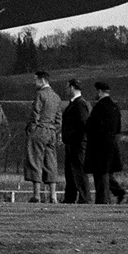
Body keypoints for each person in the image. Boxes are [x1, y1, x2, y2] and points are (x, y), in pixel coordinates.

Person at [84, 81, 128, 204]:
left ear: (99, 91)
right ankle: (119, 192)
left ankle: (102, 200)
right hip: (112, 145)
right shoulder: (115, 107)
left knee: (100, 174)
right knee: (107, 173)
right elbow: (118, 128)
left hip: (99, 145)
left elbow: (91, 126)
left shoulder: (99, 107)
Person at [24, 70, 62, 203]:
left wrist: (32, 128)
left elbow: (35, 113)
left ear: (42, 80)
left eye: (36, 80)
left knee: (35, 160)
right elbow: (58, 120)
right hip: (52, 132)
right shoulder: (56, 97)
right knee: (51, 163)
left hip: (39, 130)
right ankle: (53, 196)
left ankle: (36, 195)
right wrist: (54, 130)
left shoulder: (40, 94)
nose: (35, 83)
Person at [61, 79, 91, 204]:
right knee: (71, 172)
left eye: (67, 87)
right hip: (72, 143)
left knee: (79, 171)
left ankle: (85, 198)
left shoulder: (80, 104)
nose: (66, 89)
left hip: (78, 144)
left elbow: (83, 124)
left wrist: (73, 136)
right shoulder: (75, 103)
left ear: (72, 87)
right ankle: (70, 197)